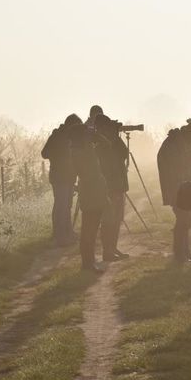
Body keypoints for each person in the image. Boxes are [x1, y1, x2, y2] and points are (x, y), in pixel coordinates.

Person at [157, 115, 191, 262]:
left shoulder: (181, 140)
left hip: (182, 187)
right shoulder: (176, 142)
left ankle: (184, 253)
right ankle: (180, 255)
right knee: (183, 220)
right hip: (177, 187)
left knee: (186, 220)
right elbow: (179, 166)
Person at [68, 123, 110, 273]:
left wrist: (91, 134)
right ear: (81, 136)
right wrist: (92, 135)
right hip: (92, 191)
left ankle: (89, 262)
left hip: (93, 191)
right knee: (89, 229)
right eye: (85, 133)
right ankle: (87, 263)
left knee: (90, 228)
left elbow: (105, 144)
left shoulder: (80, 148)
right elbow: (105, 144)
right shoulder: (81, 150)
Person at [41, 114, 82, 247]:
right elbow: (44, 153)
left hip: (68, 177)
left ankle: (67, 232)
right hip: (59, 177)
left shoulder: (70, 137)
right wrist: (59, 154)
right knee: (61, 205)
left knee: (67, 205)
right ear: (71, 125)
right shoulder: (57, 136)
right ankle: (59, 236)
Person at [94, 114, 131, 262]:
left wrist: (116, 136)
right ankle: (107, 252)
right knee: (109, 220)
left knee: (117, 219)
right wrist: (112, 137)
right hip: (109, 186)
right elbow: (107, 160)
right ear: (102, 127)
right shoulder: (99, 143)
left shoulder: (112, 140)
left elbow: (124, 154)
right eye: (107, 126)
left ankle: (112, 248)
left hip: (118, 185)